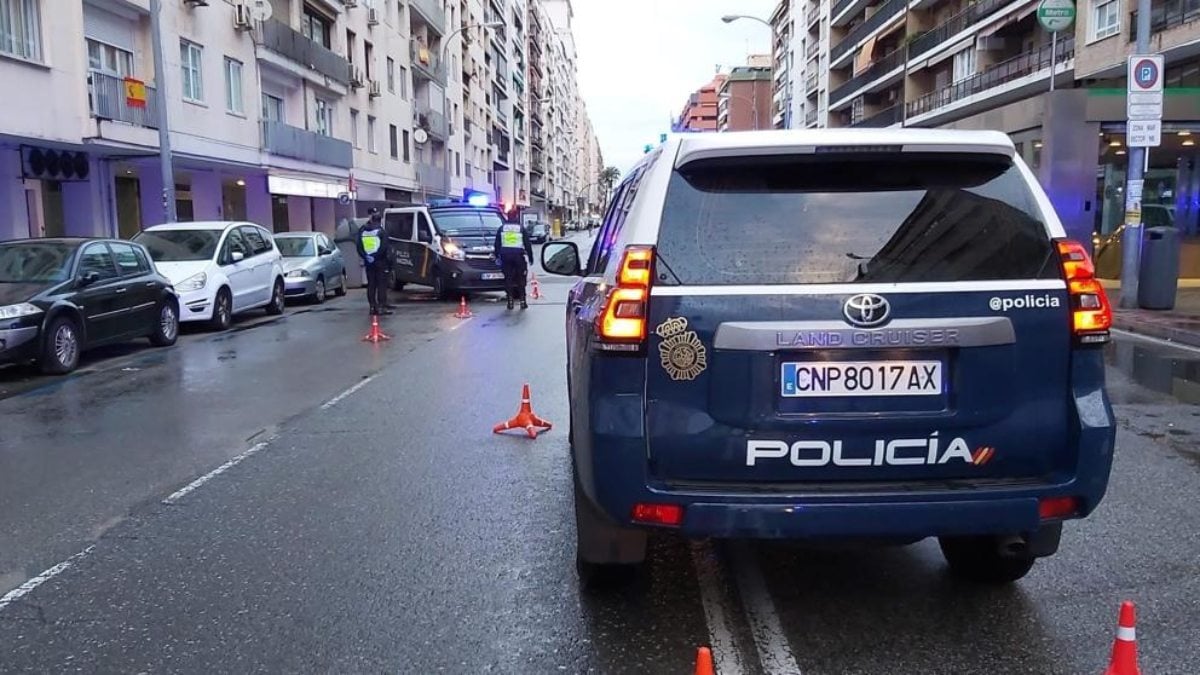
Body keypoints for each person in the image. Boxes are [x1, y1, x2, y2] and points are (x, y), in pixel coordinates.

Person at [357, 210, 392, 316]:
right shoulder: (381, 232)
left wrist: (366, 256)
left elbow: (359, 247)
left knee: (371, 285)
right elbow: (384, 248)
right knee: (381, 285)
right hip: (380, 262)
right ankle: (381, 307)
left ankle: (372, 307)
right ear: (380, 221)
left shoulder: (362, 231)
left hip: (368, 262)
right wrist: (375, 257)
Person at [494, 217, 534, 310]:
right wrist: (531, 257)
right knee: (521, 279)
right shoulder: (520, 228)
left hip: (506, 257)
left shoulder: (502, 228)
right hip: (518, 256)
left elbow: (497, 244)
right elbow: (527, 244)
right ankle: (523, 301)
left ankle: (510, 302)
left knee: (508, 279)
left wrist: (497, 256)